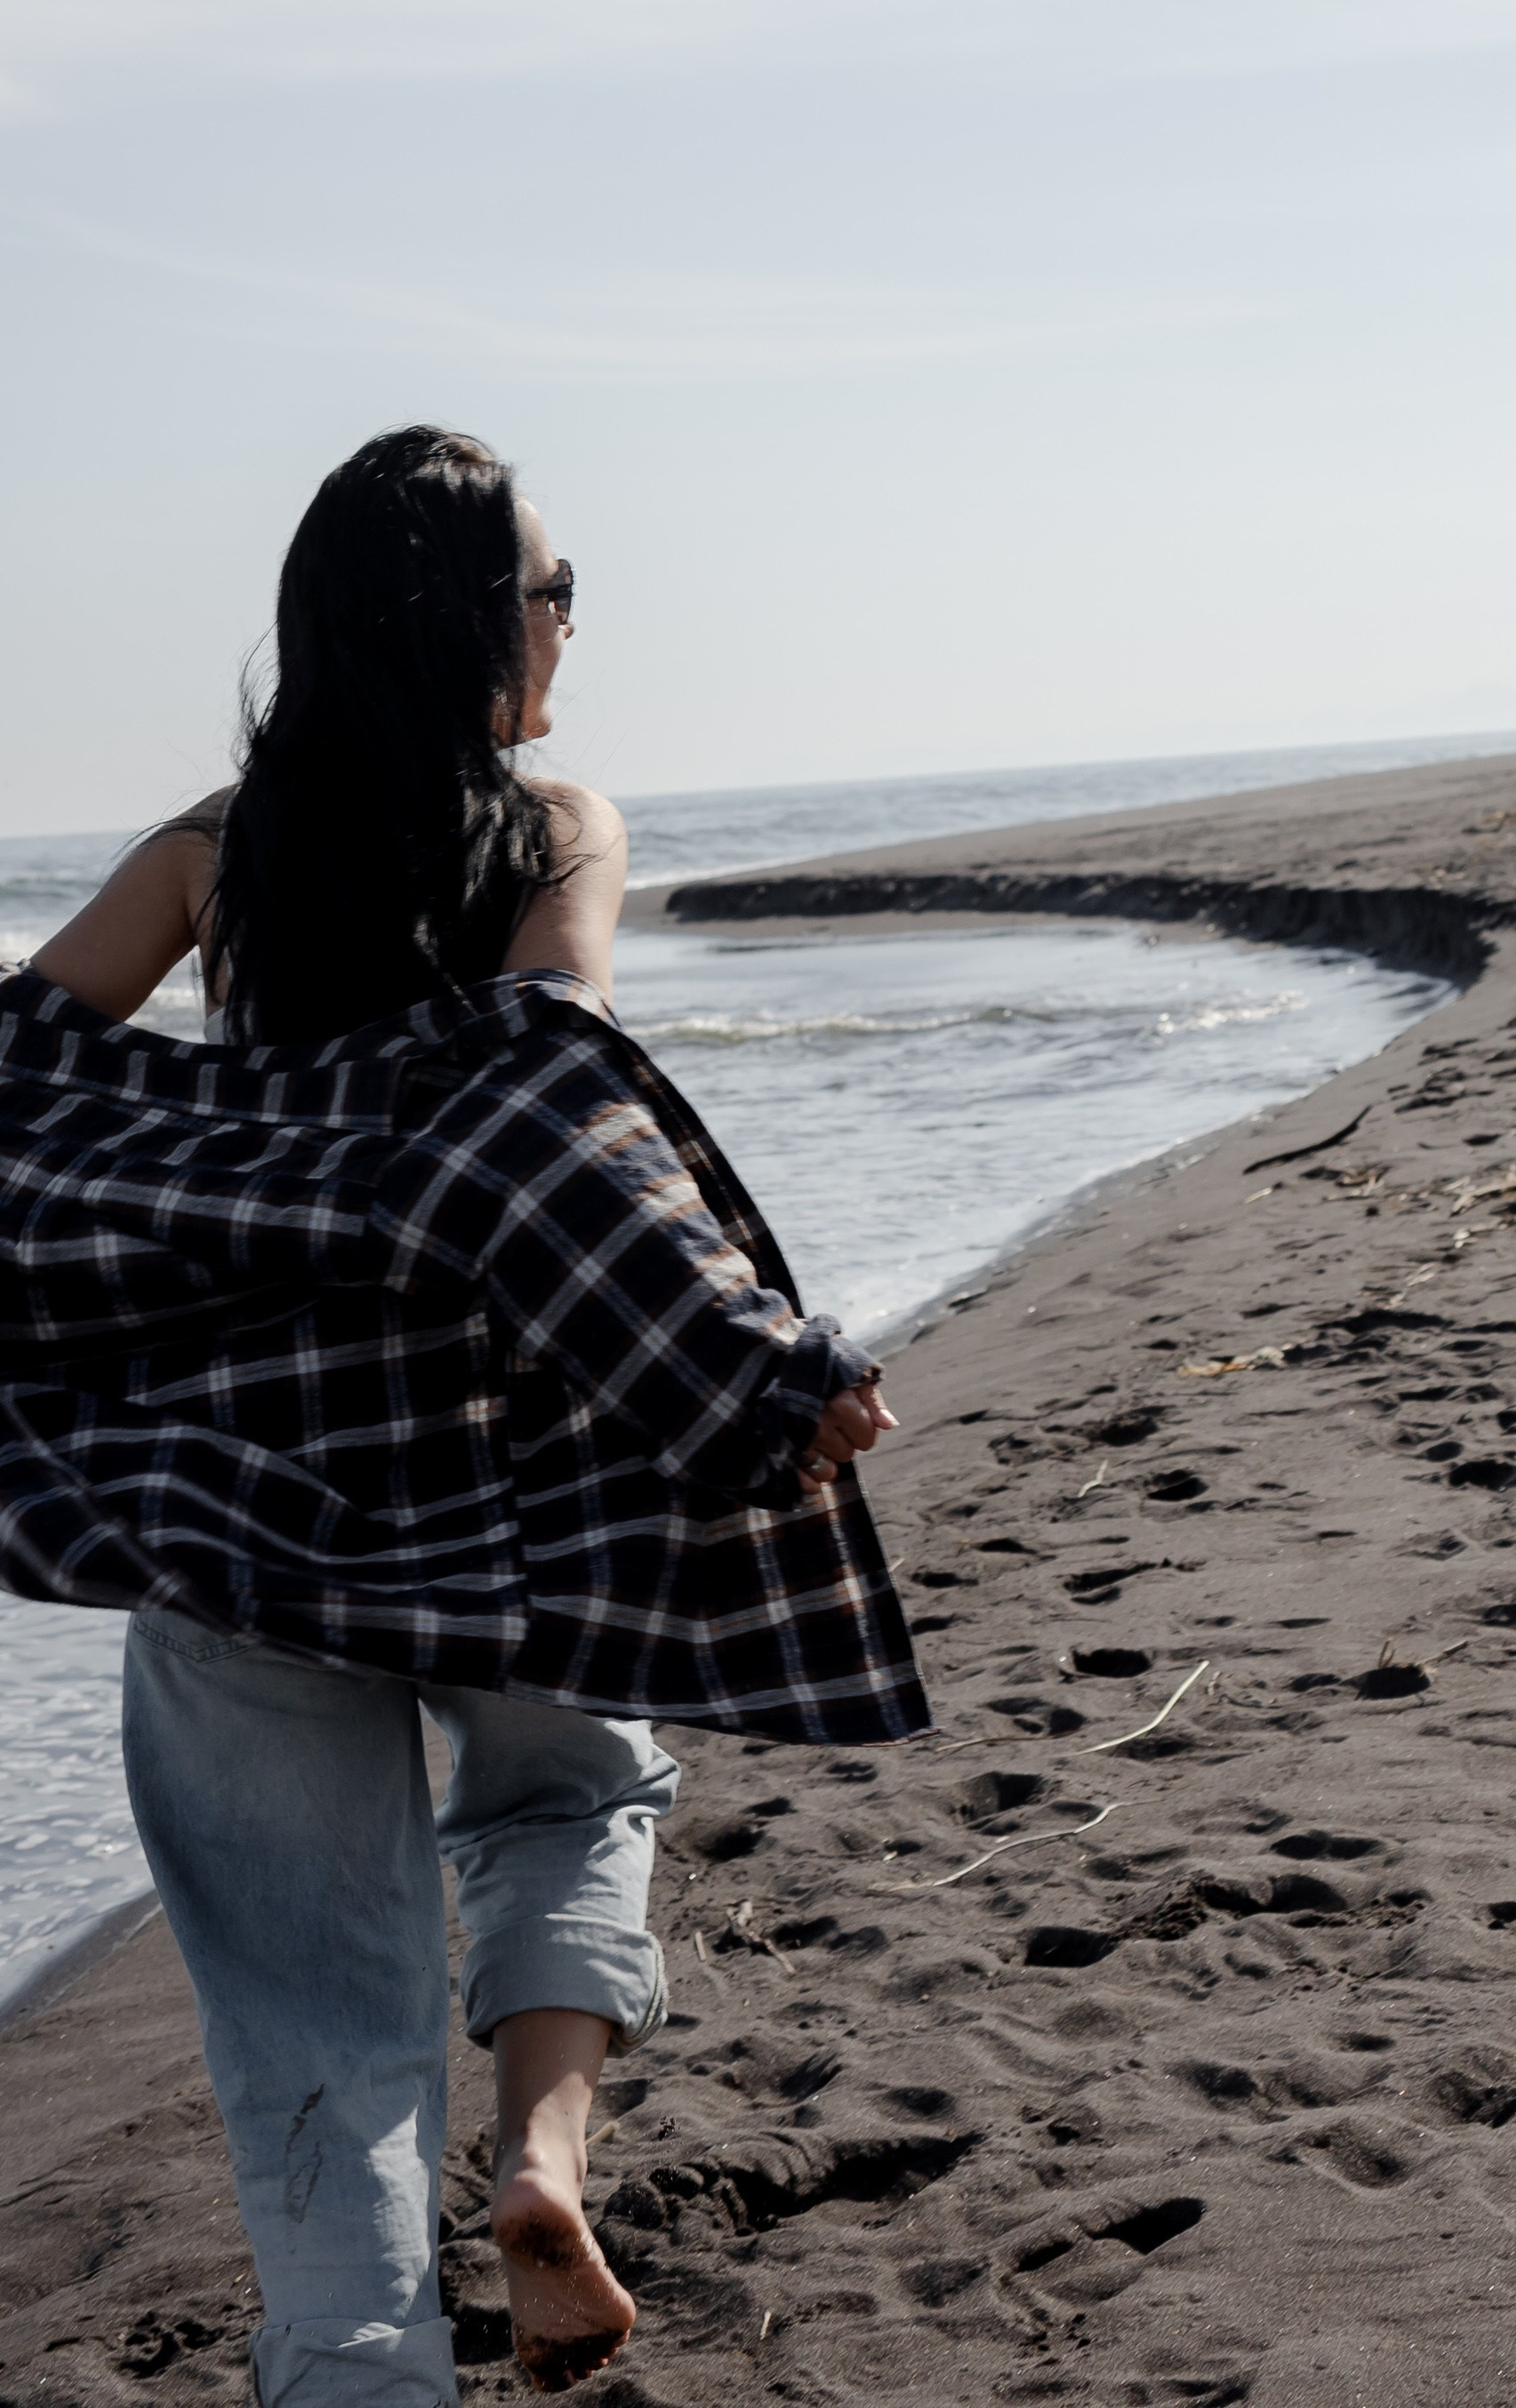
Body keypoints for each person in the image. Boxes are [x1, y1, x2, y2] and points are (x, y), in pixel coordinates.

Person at [12, 425, 922, 2408]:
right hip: (521, 1483)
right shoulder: (555, 831)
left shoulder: (209, 849)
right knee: (574, 1794)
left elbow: (16, 1071)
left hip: (237, 1495)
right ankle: (539, 2159)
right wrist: (755, 1369)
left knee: (307, 2007)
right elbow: (556, 1112)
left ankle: (354, 2360)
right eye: (552, 590)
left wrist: (201, 1183)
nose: (570, 625)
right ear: (464, 625)